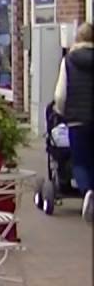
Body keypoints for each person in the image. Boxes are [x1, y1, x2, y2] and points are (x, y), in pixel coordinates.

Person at [53, 21, 93, 222]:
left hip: (77, 119)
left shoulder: (69, 60)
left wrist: (61, 112)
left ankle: (87, 192)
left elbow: (60, 95)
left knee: (80, 160)